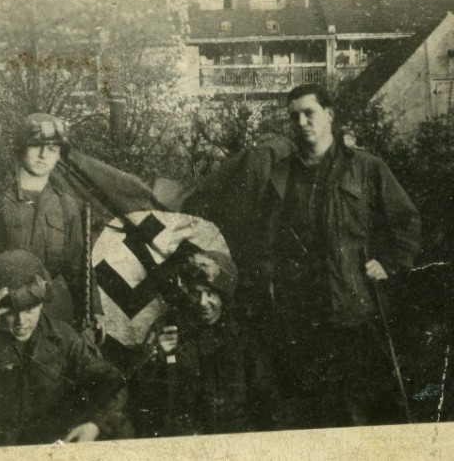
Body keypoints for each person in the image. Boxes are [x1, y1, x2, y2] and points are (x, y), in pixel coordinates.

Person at [249, 84, 421, 428]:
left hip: (357, 312)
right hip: (302, 319)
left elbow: (406, 220)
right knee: (313, 412)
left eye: (308, 113)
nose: (301, 122)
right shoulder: (282, 176)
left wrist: (388, 262)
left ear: (329, 115)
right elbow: (265, 243)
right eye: (294, 116)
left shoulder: (366, 167)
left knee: (361, 410)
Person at [0, 249, 131, 447]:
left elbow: (112, 383)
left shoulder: (63, 336)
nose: (21, 321)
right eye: (11, 311)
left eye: (30, 309)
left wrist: (95, 424)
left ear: (42, 303)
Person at [0, 113, 102, 329]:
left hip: (49, 316)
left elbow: (78, 266)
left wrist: (93, 310)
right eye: (36, 145)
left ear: (59, 157)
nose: (43, 155)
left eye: (53, 149)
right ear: (20, 148)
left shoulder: (66, 205)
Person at [129, 250, 279, 437]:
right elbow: (144, 396)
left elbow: (265, 398)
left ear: (223, 297)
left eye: (211, 294)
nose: (202, 302)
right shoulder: (169, 328)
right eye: (196, 293)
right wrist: (158, 356)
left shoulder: (243, 337)